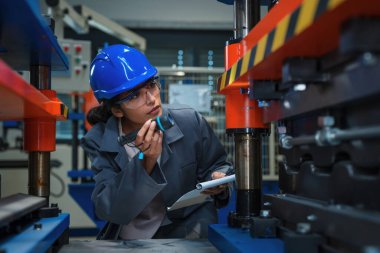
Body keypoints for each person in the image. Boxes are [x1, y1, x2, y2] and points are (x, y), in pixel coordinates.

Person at [81, 44, 234, 240]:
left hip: (189, 227)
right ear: (117, 110)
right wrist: (146, 162)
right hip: (132, 233)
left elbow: (218, 165)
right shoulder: (98, 139)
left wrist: (218, 179)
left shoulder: (189, 121)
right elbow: (108, 207)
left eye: (151, 85)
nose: (151, 99)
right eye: (134, 95)